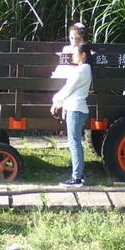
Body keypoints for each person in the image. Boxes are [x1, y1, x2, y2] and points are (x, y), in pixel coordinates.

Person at [50, 42, 93, 187]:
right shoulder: (84, 69)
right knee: (76, 143)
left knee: (74, 143)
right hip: (77, 109)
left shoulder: (82, 70)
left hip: (75, 110)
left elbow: (68, 89)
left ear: (83, 55)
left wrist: (56, 101)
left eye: (75, 54)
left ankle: (77, 178)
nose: (72, 56)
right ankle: (78, 176)